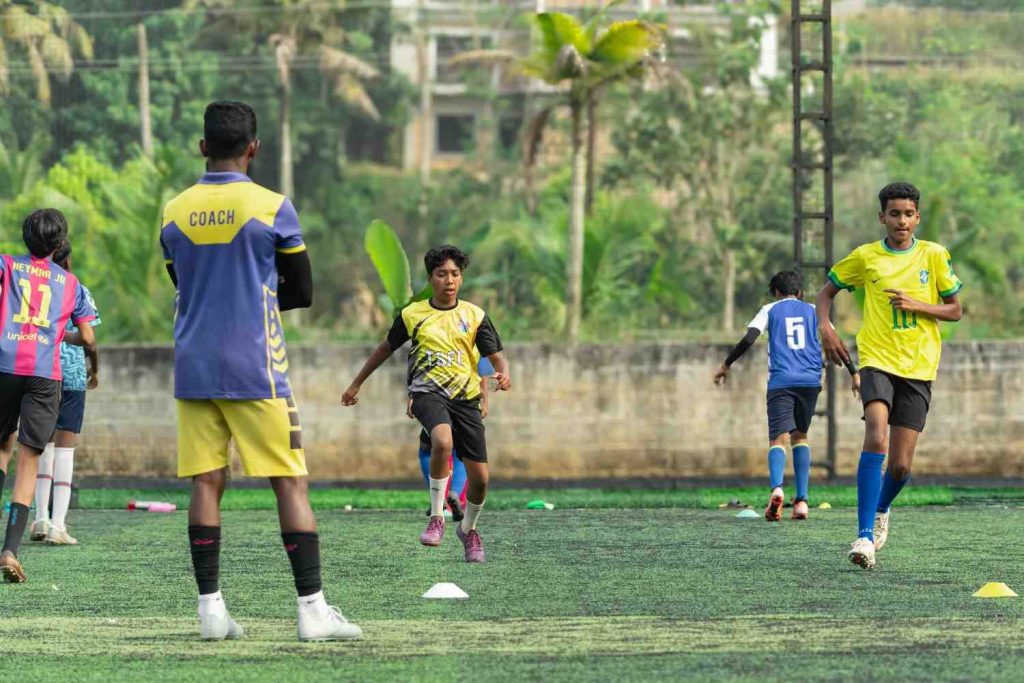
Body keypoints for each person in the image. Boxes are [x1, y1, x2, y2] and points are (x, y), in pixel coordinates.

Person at [159, 100, 360, 640]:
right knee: (290, 483)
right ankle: (313, 612)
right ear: (254, 148)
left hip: (194, 365)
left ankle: (210, 613)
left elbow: (185, 285)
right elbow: (304, 290)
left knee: (206, 480)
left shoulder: (172, 212)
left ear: (203, 147)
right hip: (256, 368)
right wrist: (257, 298)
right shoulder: (273, 207)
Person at [816, 182, 963, 570]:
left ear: (917, 217)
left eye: (908, 214)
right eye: (894, 213)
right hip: (877, 359)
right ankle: (864, 537)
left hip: (918, 367)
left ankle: (881, 508)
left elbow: (955, 310)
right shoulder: (866, 257)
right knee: (875, 434)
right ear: (882, 216)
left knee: (899, 467)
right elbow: (825, 293)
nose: (901, 220)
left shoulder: (933, 255)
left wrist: (918, 304)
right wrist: (826, 328)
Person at [342, 245, 511, 563]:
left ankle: (469, 530)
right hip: (426, 394)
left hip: (466, 399)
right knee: (442, 441)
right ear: (431, 278)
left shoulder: (474, 316)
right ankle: (437, 517)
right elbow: (385, 348)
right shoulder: (413, 314)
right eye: (442, 274)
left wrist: (503, 374)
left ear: (461, 278)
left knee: (481, 479)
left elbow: (495, 356)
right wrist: (356, 383)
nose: (449, 280)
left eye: (455, 274)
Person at [0, 215, 97, 583]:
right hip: (44, 374)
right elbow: (87, 337)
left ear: (25, 239)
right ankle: (10, 550)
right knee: (30, 459)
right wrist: (57, 336)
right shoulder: (71, 284)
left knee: (2, 448)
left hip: (5, 365)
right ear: (59, 245)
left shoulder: (7, 264)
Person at [714, 270, 834, 521]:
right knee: (800, 436)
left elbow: (749, 338)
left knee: (778, 440)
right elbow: (831, 338)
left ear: (776, 292)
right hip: (811, 381)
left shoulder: (770, 309)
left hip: (782, 380)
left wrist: (726, 364)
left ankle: (777, 488)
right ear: (800, 293)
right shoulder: (814, 309)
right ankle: (801, 501)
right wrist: (854, 373)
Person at [29, 242, 100, 546]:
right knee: (65, 449)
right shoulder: (77, 289)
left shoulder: (33, 287)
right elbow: (90, 340)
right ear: (68, 260)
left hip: (40, 372)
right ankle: (59, 524)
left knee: (41, 447)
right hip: (71, 375)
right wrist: (94, 370)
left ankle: (39, 519)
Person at [414, 356, 493, 520]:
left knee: (429, 446)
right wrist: (484, 401)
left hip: (434, 399)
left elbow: (419, 368)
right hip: (465, 402)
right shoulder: (473, 333)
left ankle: (440, 498)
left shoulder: (433, 332)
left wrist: (412, 397)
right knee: (463, 451)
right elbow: (483, 370)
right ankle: (455, 495)